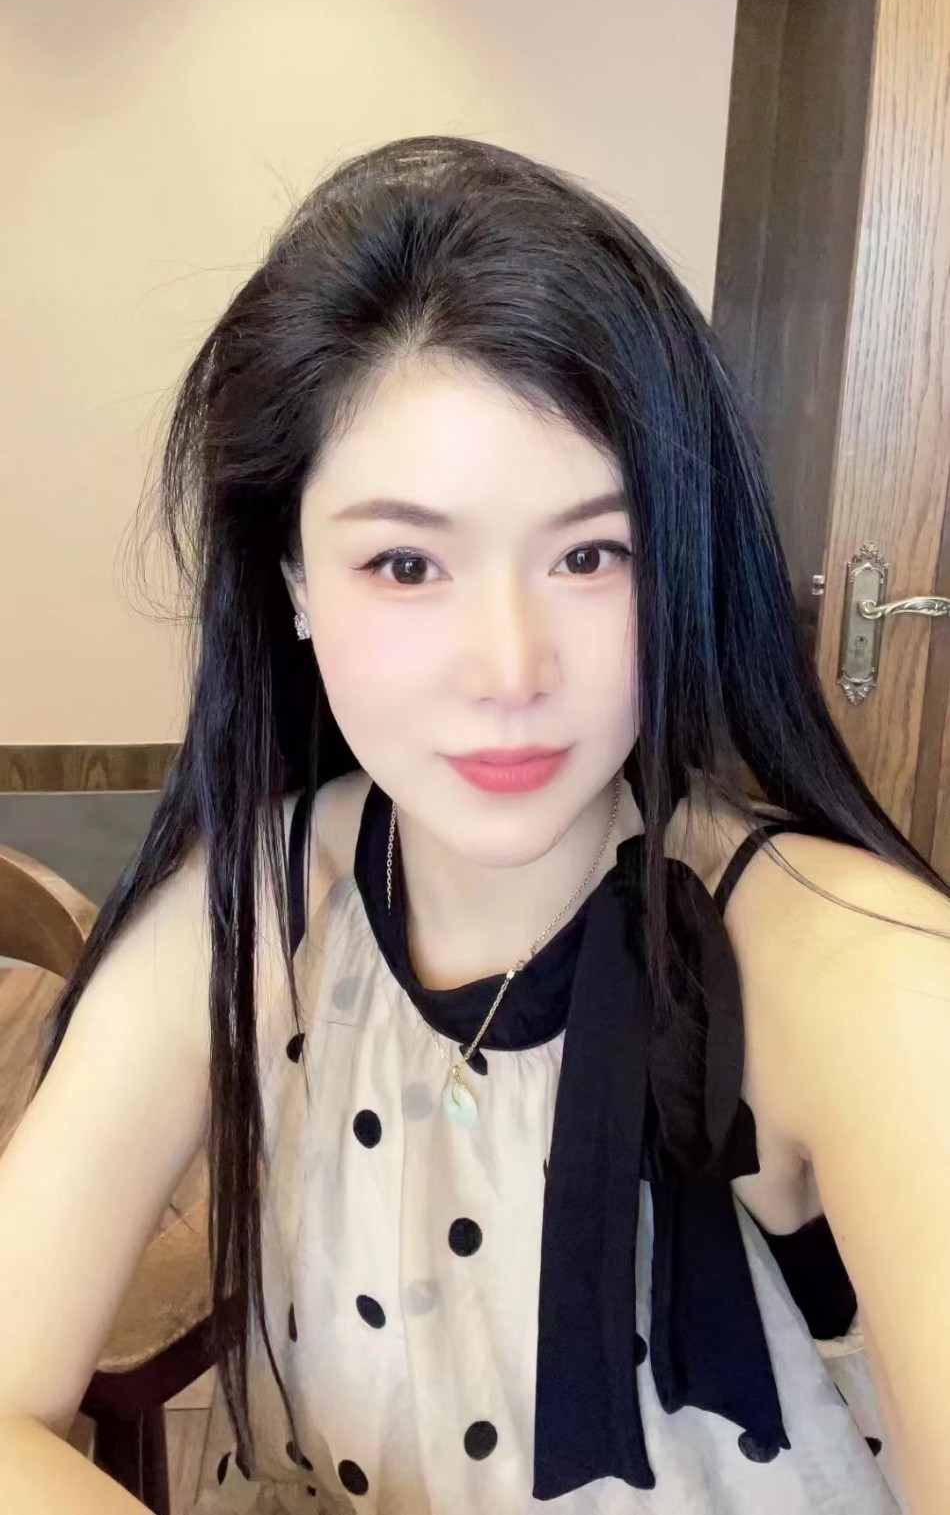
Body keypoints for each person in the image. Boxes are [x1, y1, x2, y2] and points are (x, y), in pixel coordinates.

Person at [1, 135, 948, 1515]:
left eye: (589, 553)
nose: (509, 668)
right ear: (293, 581)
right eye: (405, 562)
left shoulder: (865, 982)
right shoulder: (254, 897)